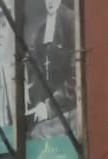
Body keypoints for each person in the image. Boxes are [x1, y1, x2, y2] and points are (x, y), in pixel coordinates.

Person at [26, 0, 76, 137]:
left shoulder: (71, 20)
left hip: (70, 108)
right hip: (46, 111)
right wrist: (37, 102)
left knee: (37, 135)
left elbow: (77, 77)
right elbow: (35, 72)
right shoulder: (40, 31)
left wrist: (50, 107)